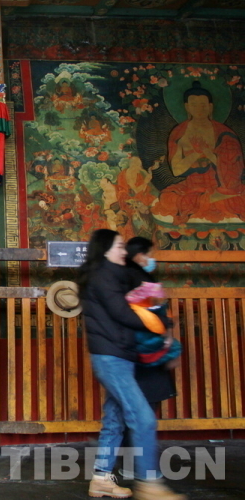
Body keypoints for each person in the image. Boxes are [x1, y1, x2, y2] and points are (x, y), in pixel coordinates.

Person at [78, 229, 186, 500]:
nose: (123, 251)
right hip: (111, 358)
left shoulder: (113, 274)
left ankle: (101, 479)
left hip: (120, 356)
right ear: (105, 249)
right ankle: (150, 484)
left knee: (115, 420)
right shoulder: (103, 276)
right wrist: (159, 325)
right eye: (119, 246)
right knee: (144, 418)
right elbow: (122, 313)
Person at [153, 81, 245, 224]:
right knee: (167, 199)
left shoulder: (224, 133)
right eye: (194, 104)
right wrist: (195, 153)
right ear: (187, 107)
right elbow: (176, 171)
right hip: (192, 187)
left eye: (203, 104)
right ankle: (207, 200)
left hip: (221, 188)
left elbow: (234, 169)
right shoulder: (179, 133)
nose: (199, 108)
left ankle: (205, 201)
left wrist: (207, 152)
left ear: (210, 107)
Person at [125, 237, 179, 404]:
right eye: (149, 254)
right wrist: (167, 333)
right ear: (139, 255)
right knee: (147, 396)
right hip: (146, 341)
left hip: (130, 344)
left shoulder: (122, 275)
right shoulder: (141, 278)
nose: (151, 259)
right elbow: (156, 308)